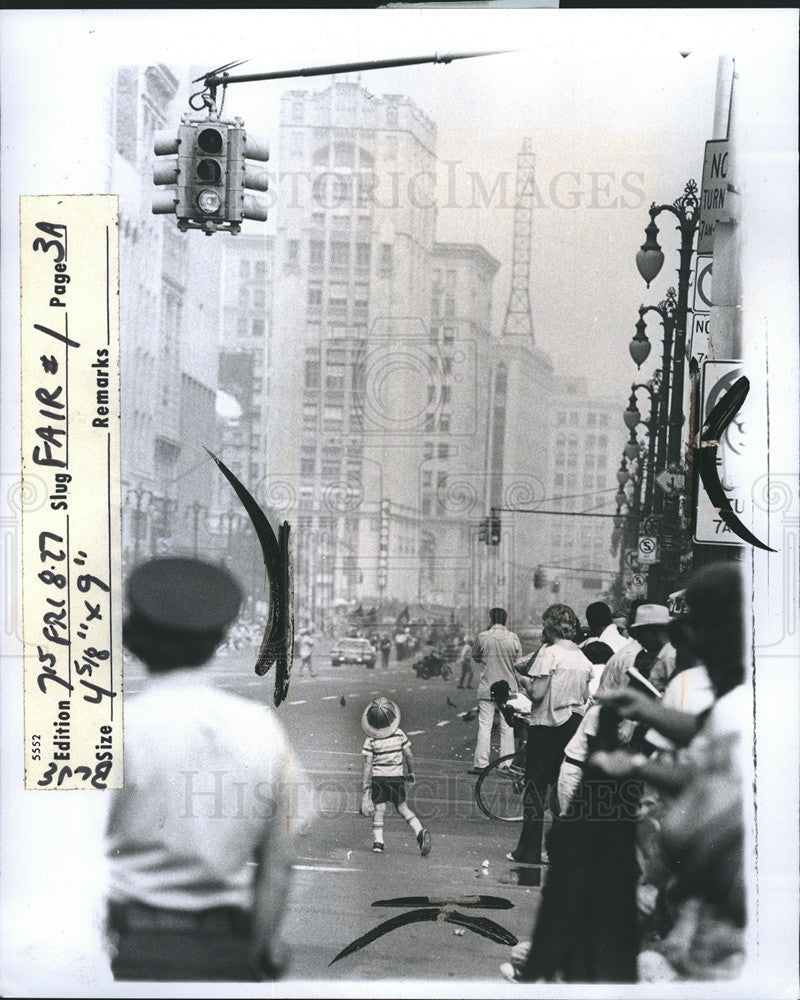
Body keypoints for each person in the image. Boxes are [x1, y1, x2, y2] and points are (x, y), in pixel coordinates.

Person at [104, 557, 310, 982]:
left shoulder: (113, 728)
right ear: (220, 637)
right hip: (222, 950)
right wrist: (254, 954)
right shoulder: (261, 727)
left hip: (121, 949)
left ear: (136, 636)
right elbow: (279, 863)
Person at [592, 563, 748, 981]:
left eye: (703, 629)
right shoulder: (736, 700)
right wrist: (645, 719)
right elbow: (705, 743)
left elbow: (715, 781)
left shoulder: (761, 702)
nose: (693, 645)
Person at [509, 603, 593, 865]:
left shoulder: (549, 653)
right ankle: (556, 850)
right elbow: (584, 696)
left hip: (546, 727)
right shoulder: (581, 656)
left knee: (535, 789)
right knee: (561, 790)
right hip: (573, 726)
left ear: (550, 626)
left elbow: (537, 693)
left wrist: (523, 681)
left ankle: (529, 851)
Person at [360, 697, 431, 856]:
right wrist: (411, 772)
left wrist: (365, 786)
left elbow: (367, 764)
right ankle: (419, 831)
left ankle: (378, 842)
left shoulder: (370, 739)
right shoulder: (399, 734)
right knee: (403, 807)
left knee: (379, 809)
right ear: (392, 719)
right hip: (397, 777)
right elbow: (409, 755)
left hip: (379, 778)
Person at [468, 608, 523, 775]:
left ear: (491, 620)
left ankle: (481, 763)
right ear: (505, 620)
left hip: (487, 687)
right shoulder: (513, 638)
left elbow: (476, 656)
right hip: (508, 688)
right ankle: (505, 764)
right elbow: (519, 662)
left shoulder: (483, 636)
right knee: (507, 726)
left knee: (485, 725)